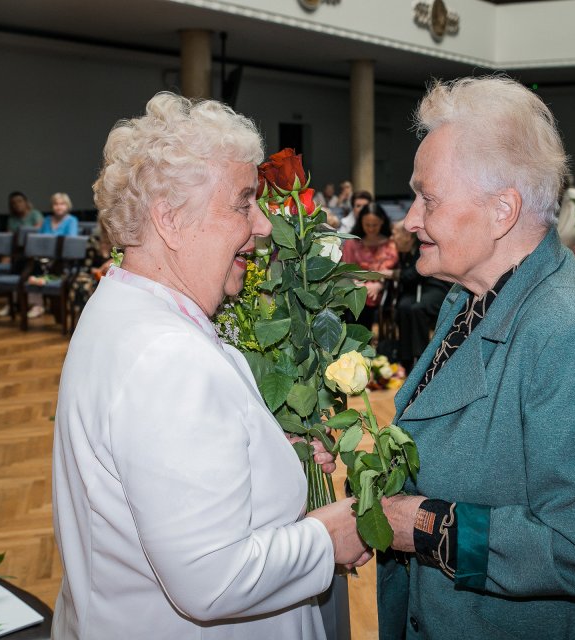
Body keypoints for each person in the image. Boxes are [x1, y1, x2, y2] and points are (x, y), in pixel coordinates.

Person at [52, 93, 370, 639]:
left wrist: (268, 457)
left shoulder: (122, 305)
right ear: (171, 220)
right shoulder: (167, 358)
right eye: (243, 203)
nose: (264, 225)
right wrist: (328, 536)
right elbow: (213, 581)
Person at [378, 77, 575, 639]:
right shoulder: (477, 290)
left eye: (428, 199)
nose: (410, 220)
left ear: (502, 211)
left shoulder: (570, 335)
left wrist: (425, 527)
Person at [390, 222, 448, 371]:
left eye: (395, 234)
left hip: (437, 287)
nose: (392, 237)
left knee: (417, 308)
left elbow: (414, 274)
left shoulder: (423, 246)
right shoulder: (404, 251)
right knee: (403, 306)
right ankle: (406, 358)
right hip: (419, 289)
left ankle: (421, 358)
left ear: (407, 236)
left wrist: (391, 274)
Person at [341, 202, 398, 331]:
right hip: (356, 287)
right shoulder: (352, 243)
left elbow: (393, 271)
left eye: (375, 225)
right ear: (360, 222)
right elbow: (346, 270)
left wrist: (379, 285)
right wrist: (360, 285)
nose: (371, 229)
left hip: (383, 289)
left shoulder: (390, 243)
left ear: (382, 222)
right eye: (367, 225)